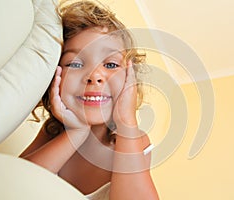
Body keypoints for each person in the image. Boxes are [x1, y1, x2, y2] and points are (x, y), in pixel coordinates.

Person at [19, 0, 159, 199]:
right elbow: (10, 184)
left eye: (110, 65)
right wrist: (75, 133)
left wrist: (127, 121)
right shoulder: (52, 133)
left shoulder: (131, 140)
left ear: (130, 81)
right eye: (75, 64)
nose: (94, 75)